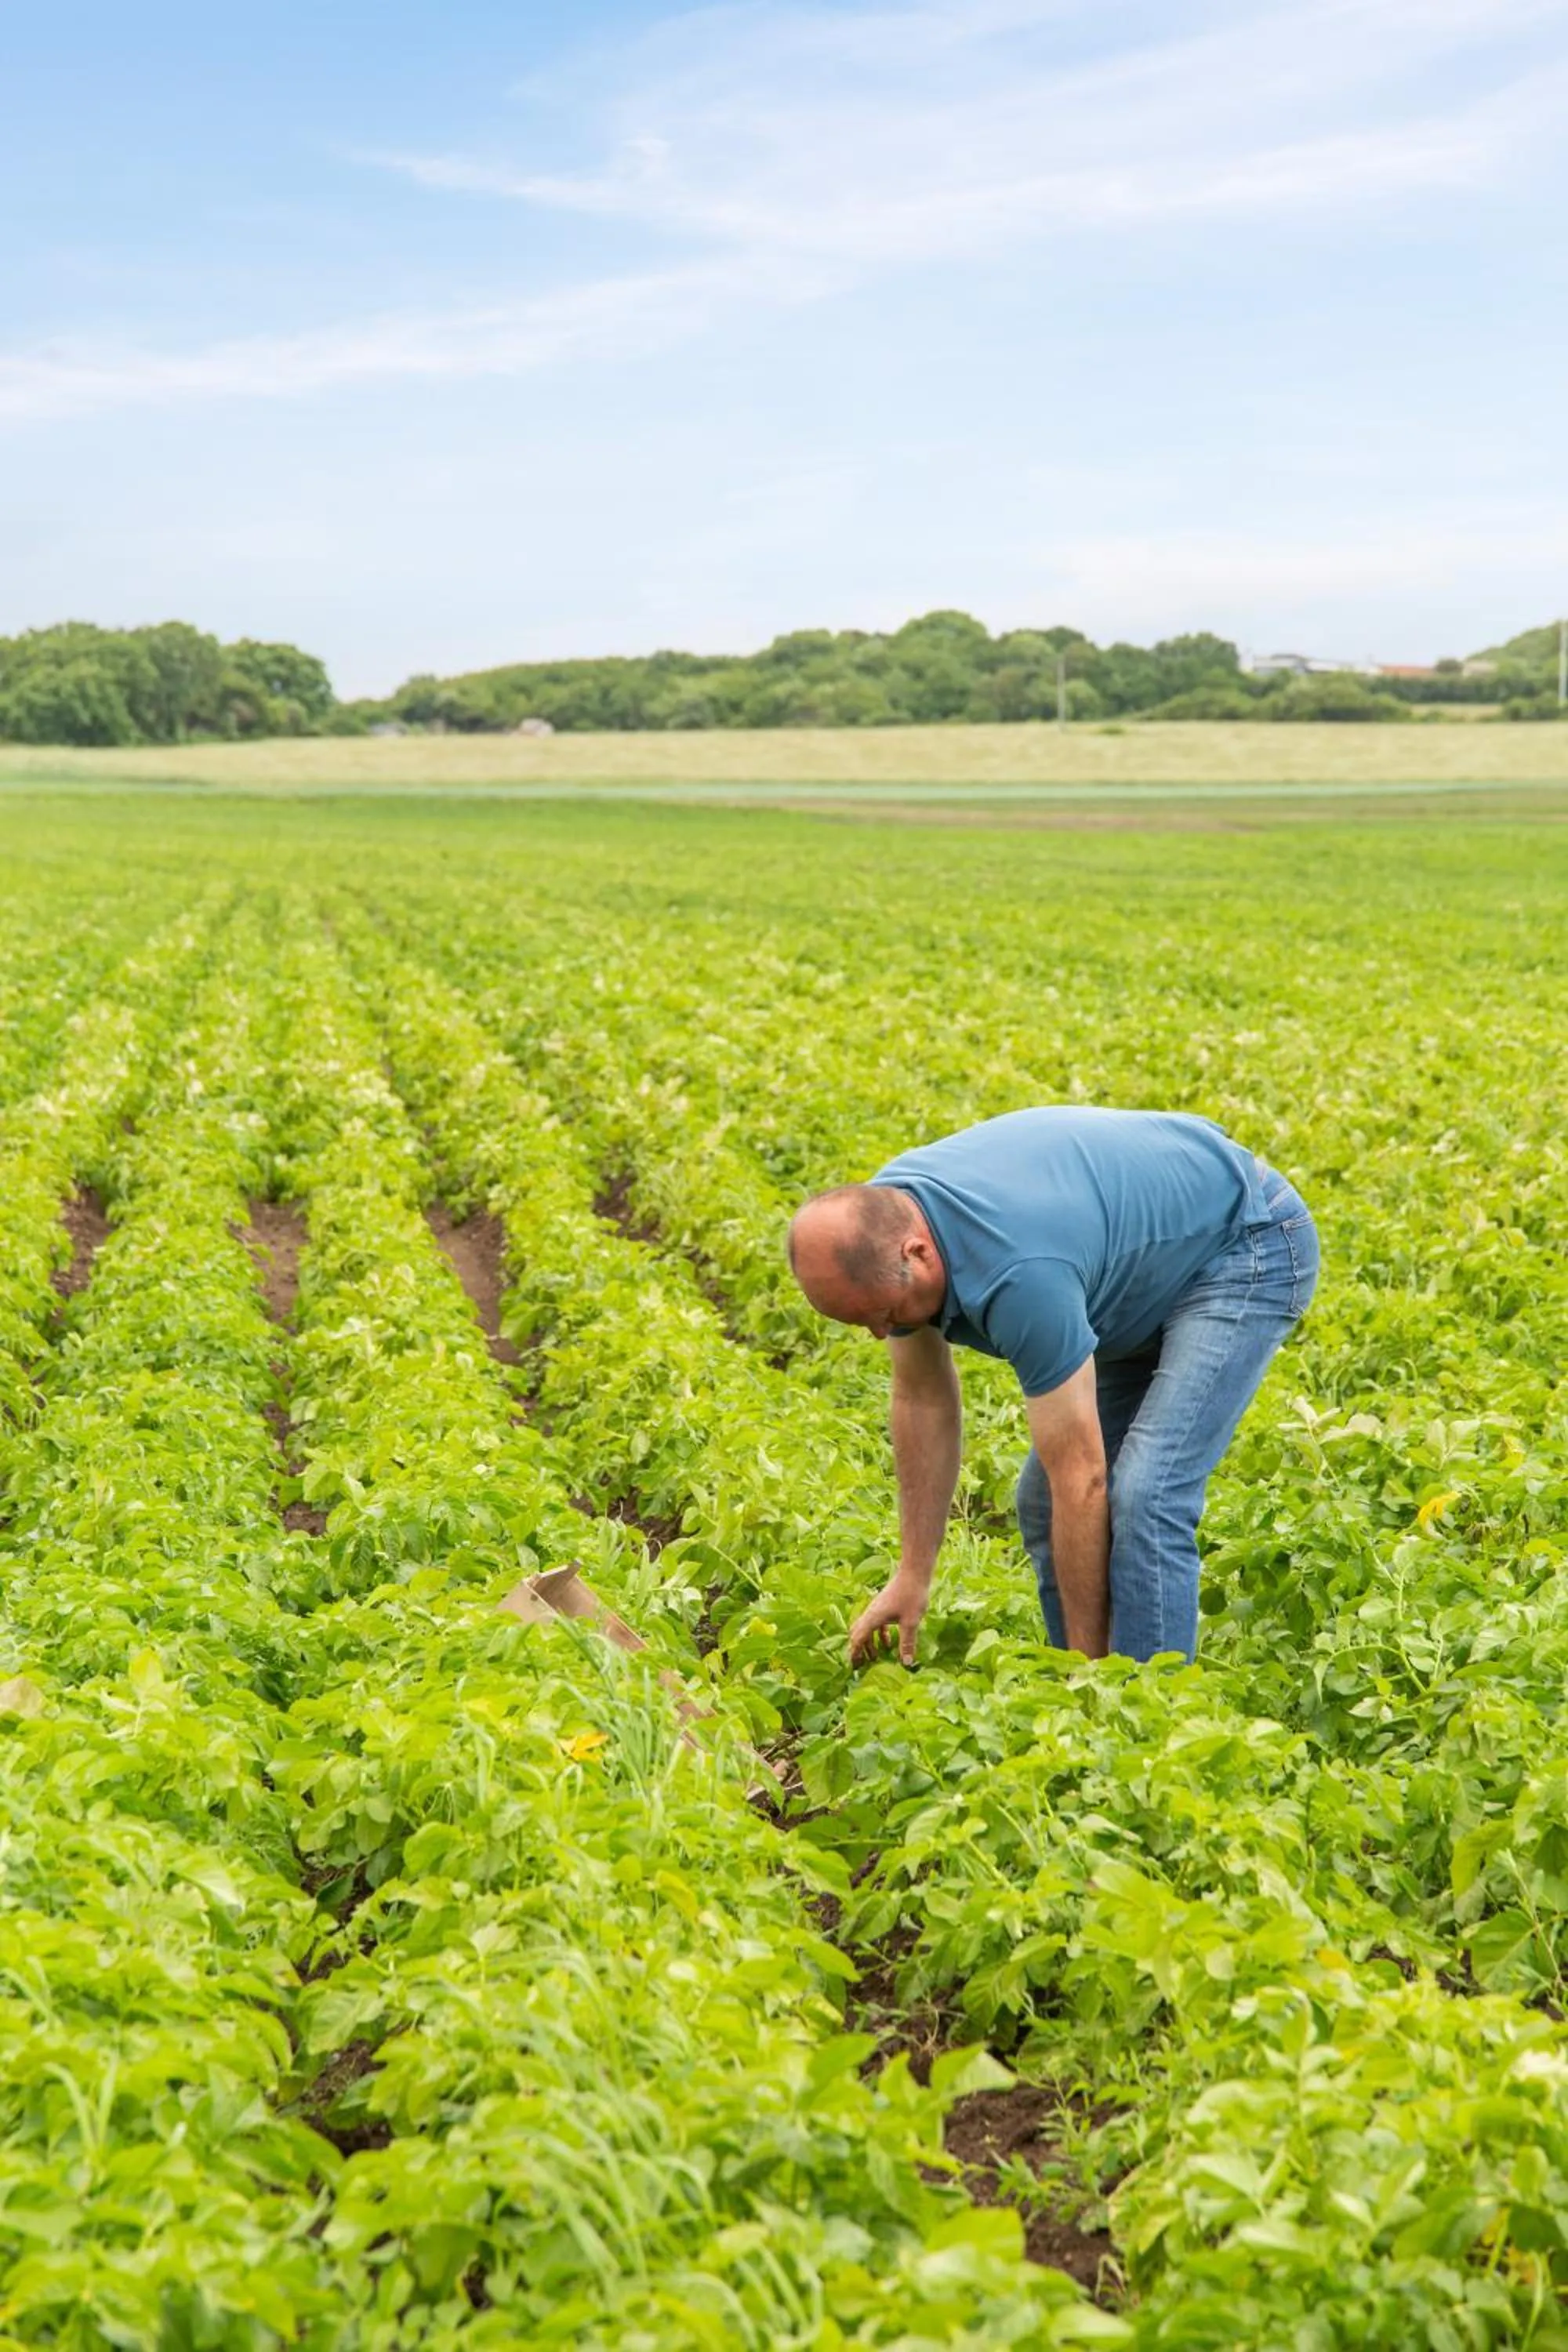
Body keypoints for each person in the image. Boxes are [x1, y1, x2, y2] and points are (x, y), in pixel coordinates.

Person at [786, 1107, 1318, 1668]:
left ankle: (1148, 1712)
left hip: (1243, 1241)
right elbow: (921, 1398)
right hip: (1138, 1256)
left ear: (917, 1254)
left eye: (887, 1316)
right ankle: (1097, 1687)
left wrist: (1087, 1677)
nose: (881, 1333)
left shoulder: (1021, 1274)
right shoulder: (883, 1225)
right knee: (1041, 1503)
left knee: (1148, 1492)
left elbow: (1083, 1478)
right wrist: (913, 1574)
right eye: (863, 1322)